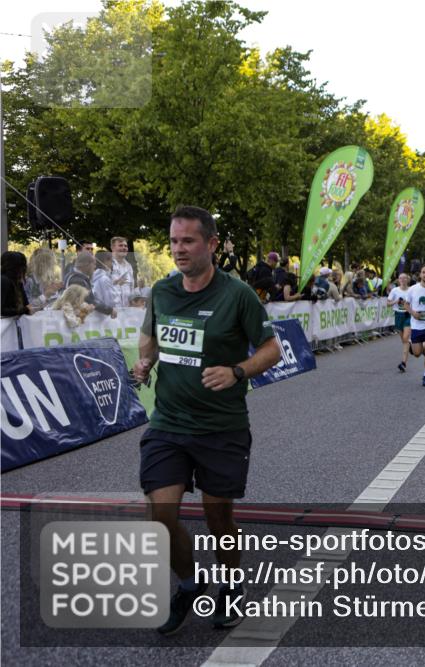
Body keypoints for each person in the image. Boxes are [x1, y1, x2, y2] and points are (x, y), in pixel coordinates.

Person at [131, 205, 281, 635]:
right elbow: (150, 337)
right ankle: (188, 584)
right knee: (160, 513)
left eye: (188, 241)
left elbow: (271, 349)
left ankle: (232, 585)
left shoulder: (237, 295)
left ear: (211, 244)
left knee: (218, 519)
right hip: (169, 424)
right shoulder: (162, 291)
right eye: (174, 241)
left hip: (222, 426)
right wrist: (144, 362)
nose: (179, 249)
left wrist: (236, 371)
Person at [64, 252, 117, 317]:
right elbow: (89, 301)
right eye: (94, 264)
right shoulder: (77, 280)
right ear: (87, 264)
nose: (95, 267)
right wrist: (109, 310)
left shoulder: (77, 278)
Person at [387, 273, 412, 372]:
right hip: (398, 315)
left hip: (408, 315)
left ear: (407, 280)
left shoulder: (411, 290)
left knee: (405, 338)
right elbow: (388, 303)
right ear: (398, 280)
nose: (402, 280)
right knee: (404, 340)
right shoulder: (395, 290)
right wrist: (395, 301)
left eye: (404, 278)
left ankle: (403, 363)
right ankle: (409, 344)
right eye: (400, 278)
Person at [1, 251, 32, 317]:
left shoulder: (18, 283)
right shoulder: (4, 281)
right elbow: (2, 310)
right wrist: (23, 310)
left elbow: (26, 305)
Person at [109, 236, 135, 308]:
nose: (124, 248)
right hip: (112, 312)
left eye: (125, 246)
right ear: (112, 248)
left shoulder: (129, 266)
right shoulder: (106, 264)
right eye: (120, 245)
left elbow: (131, 289)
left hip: (127, 312)